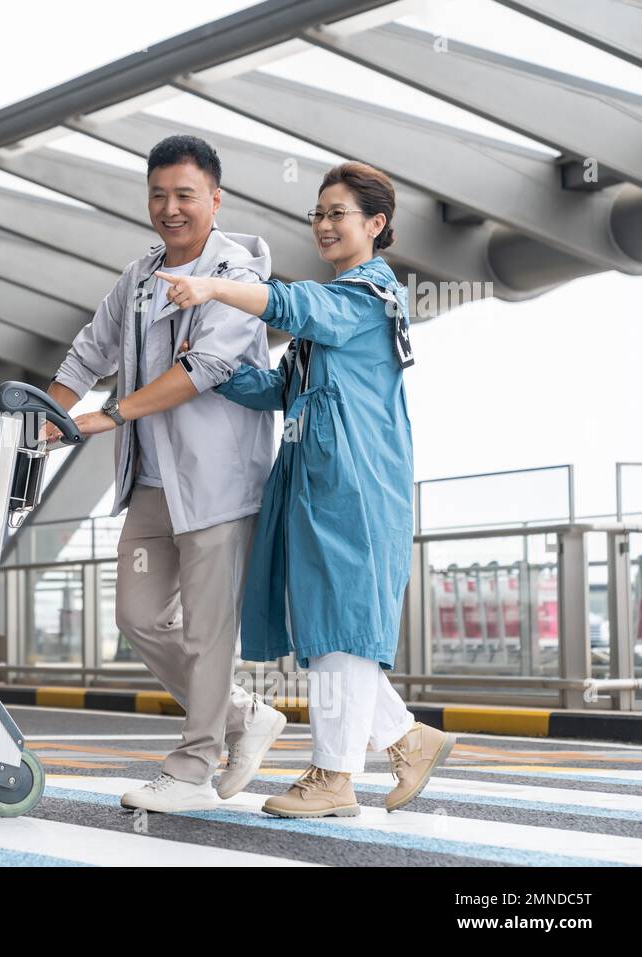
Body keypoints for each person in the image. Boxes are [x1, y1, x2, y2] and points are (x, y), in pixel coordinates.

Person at [160, 160, 455, 818]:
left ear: (376, 225)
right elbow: (277, 387)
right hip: (320, 484)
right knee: (329, 626)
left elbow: (295, 304)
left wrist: (212, 288)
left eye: (337, 214)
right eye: (318, 214)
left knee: (339, 630)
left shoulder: (363, 298)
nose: (323, 225)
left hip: (351, 486)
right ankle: (407, 739)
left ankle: (334, 775)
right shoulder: (336, 316)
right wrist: (212, 365)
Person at [41, 135, 287, 814]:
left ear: (215, 197)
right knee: (138, 615)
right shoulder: (140, 275)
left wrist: (110, 413)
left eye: (185, 194)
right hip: (153, 483)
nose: (170, 208)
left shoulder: (238, 278)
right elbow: (88, 351)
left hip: (216, 486)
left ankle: (192, 767)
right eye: (159, 195)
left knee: (209, 632)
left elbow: (203, 369)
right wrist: (42, 420)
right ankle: (243, 717)